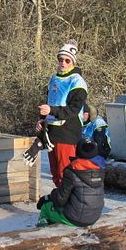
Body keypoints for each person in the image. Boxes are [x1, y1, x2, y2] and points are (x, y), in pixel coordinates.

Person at [34, 39, 88, 187]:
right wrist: (42, 119)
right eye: (60, 59)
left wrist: (51, 110)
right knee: (56, 174)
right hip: (52, 132)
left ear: (73, 62)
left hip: (67, 133)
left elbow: (73, 109)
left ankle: (67, 207)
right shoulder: (53, 78)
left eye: (67, 60)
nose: (63, 63)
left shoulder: (78, 82)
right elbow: (49, 102)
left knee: (66, 174)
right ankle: (59, 205)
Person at [35, 139, 105, 227]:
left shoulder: (72, 171)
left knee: (46, 208)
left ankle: (41, 234)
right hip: (94, 216)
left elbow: (60, 199)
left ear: (77, 152)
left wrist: (47, 198)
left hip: (75, 218)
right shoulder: (100, 171)